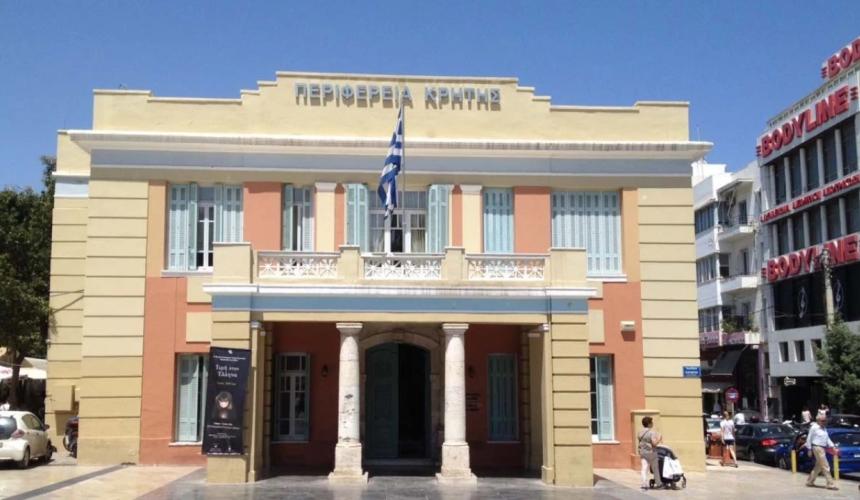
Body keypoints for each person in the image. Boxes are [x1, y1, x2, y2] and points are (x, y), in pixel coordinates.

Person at [806, 414, 838, 490]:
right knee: (825, 466)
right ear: (818, 421)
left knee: (819, 466)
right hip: (817, 447)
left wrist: (833, 446)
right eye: (823, 421)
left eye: (825, 421)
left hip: (823, 448)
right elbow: (809, 438)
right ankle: (830, 484)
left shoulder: (824, 429)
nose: (824, 422)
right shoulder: (814, 428)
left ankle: (810, 481)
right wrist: (809, 449)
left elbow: (827, 439)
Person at [638, 416, 663, 490]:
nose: (652, 423)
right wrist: (659, 439)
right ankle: (659, 484)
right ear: (649, 424)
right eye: (651, 422)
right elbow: (654, 444)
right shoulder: (651, 433)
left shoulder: (640, 433)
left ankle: (644, 484)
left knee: (644, 468)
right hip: (651, 452)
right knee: (655, 468)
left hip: (642, 452)